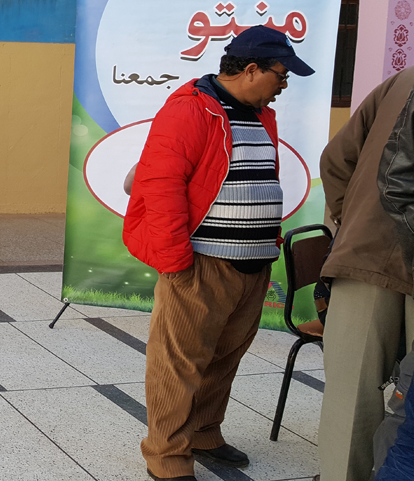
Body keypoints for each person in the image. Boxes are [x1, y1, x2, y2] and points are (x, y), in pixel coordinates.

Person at [123, 26, 314, 481]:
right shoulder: (190, 110)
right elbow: (161, 185)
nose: (284, 84)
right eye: (280, 74)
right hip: (202, 262)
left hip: (253, 261)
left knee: (225, 355)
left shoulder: (258, 112)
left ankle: (205, 433)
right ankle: (167, 456)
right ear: (251, 70)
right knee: (179, 363)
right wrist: (175, 262)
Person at [319, 67, 414, 481]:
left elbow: (336, 160)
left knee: (351, 393)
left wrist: (351, 221)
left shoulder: (403, 78)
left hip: (367, 250)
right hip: (374, 253)